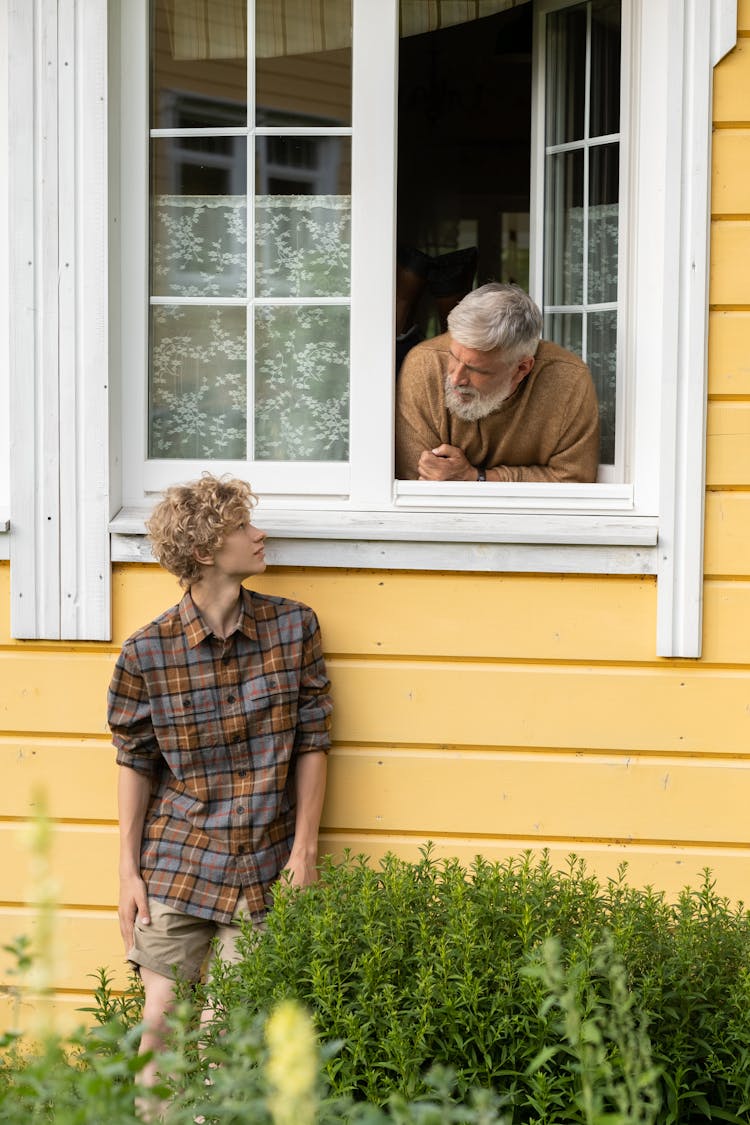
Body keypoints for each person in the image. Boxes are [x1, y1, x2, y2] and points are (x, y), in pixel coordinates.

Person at [107, 474, 332, 1114]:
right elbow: (136, 761)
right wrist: (128, 870)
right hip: (177, 858)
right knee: (164, 1016)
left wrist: (305, 850)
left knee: (227, 1025)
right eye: (241, 527)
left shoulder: (294, 629)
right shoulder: (146, 653)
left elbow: (314, 740)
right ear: (206, 549)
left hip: (264, 861)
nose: (258, 535)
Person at [395, 282, 600, 482]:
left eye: (476, 369)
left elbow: (574, 480)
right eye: (453, 356)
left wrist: (478, 478)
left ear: (522, 369)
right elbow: (420, 480)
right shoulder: (424, 364)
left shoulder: (569, 379)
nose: (456, 378)